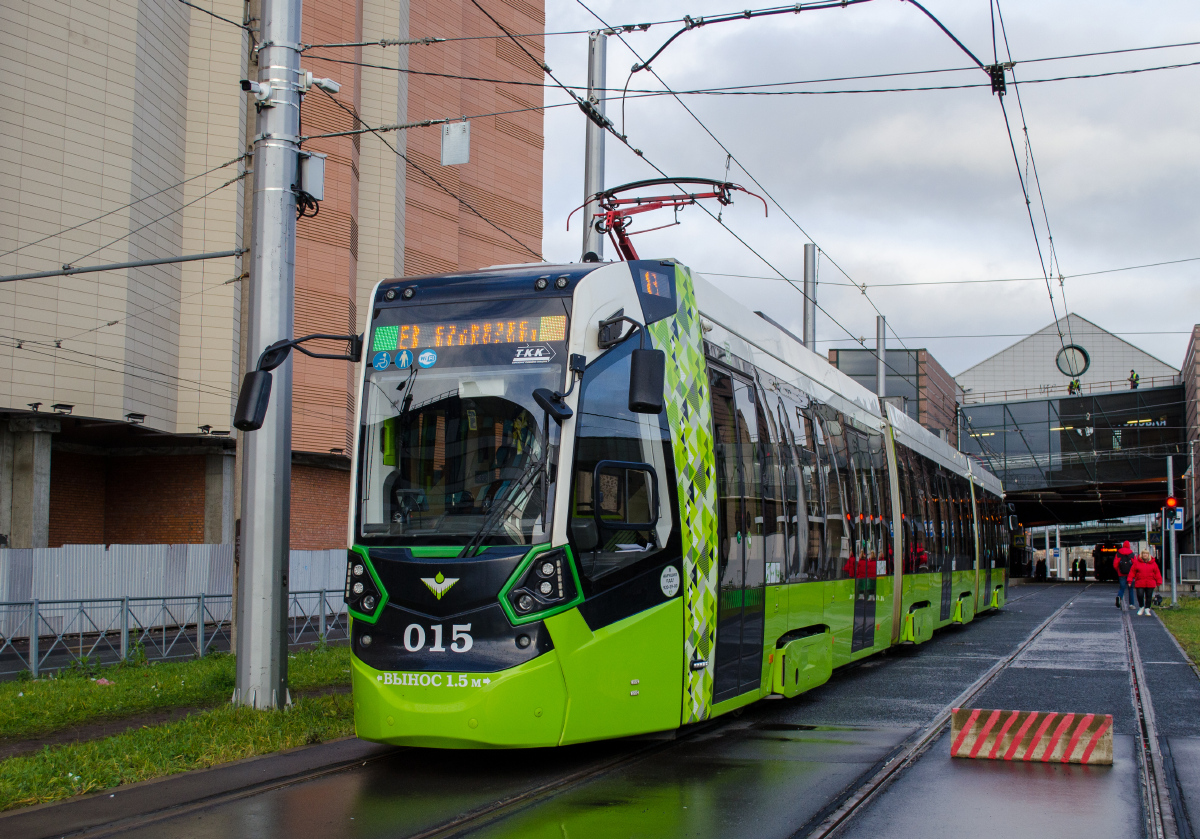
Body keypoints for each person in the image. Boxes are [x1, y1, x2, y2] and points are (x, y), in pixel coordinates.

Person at [1130, 549, 1163, 616]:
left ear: (1148, 555)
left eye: (1146, 553)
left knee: (1149, 596)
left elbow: (1157, 573)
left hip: (1150, 582)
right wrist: (1129, 580)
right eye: (1144, 553)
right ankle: (1141, 607)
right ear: (1141, 555)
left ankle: (1147, 609)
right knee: (1140, 595)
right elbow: (1132, 572)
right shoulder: (1137, 563)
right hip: (1140, 582)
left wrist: (1159, 581)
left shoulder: (1153, 563)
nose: (1145, 555)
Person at [1114, 541, 1135, 608]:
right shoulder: (1131, 554)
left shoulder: (1118, 553)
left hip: (1121, 574)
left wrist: (1118, 570)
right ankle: (1131, 604)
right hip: (1130, 574)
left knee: (1122, 588)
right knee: (1130, 589)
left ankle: (1119, 596)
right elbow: (1135, 564)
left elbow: (1115, 564)